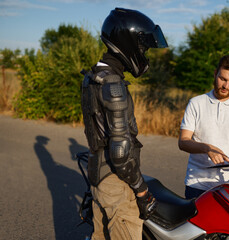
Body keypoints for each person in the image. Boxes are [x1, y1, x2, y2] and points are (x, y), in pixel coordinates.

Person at [81, 8, 168, 240]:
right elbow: (120, 153)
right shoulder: (114, 86)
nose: (144, 54)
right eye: (143, 48)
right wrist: (141, 191)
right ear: (127, 43)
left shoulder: (92, 77)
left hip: (98, 179)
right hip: (116, 183)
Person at [178, 54, 229, 199]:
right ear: (215, 74)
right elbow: (183, 142)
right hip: (197, 184)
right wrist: (207, 148)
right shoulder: (196, 103)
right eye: (223, 79)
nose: (226, 86)